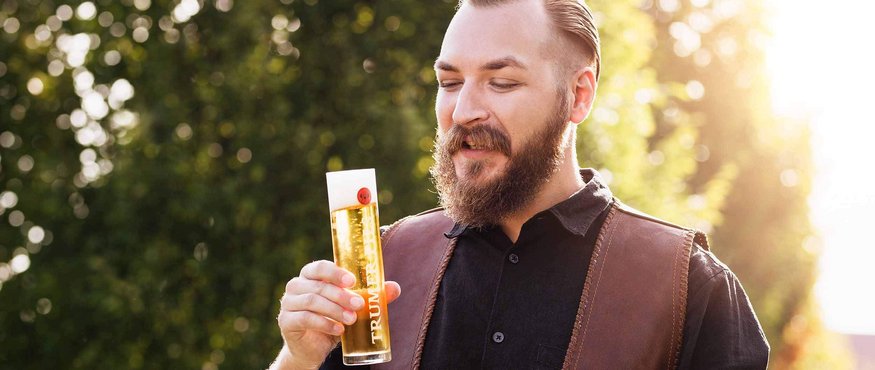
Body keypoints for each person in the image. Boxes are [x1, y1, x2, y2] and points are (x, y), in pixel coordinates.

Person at [270, 0, 770, 369]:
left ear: (579, 95)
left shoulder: (689, 287)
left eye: (502, 82)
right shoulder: (386, 264)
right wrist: (299, 358)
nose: (463, 111)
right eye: (449, 83)